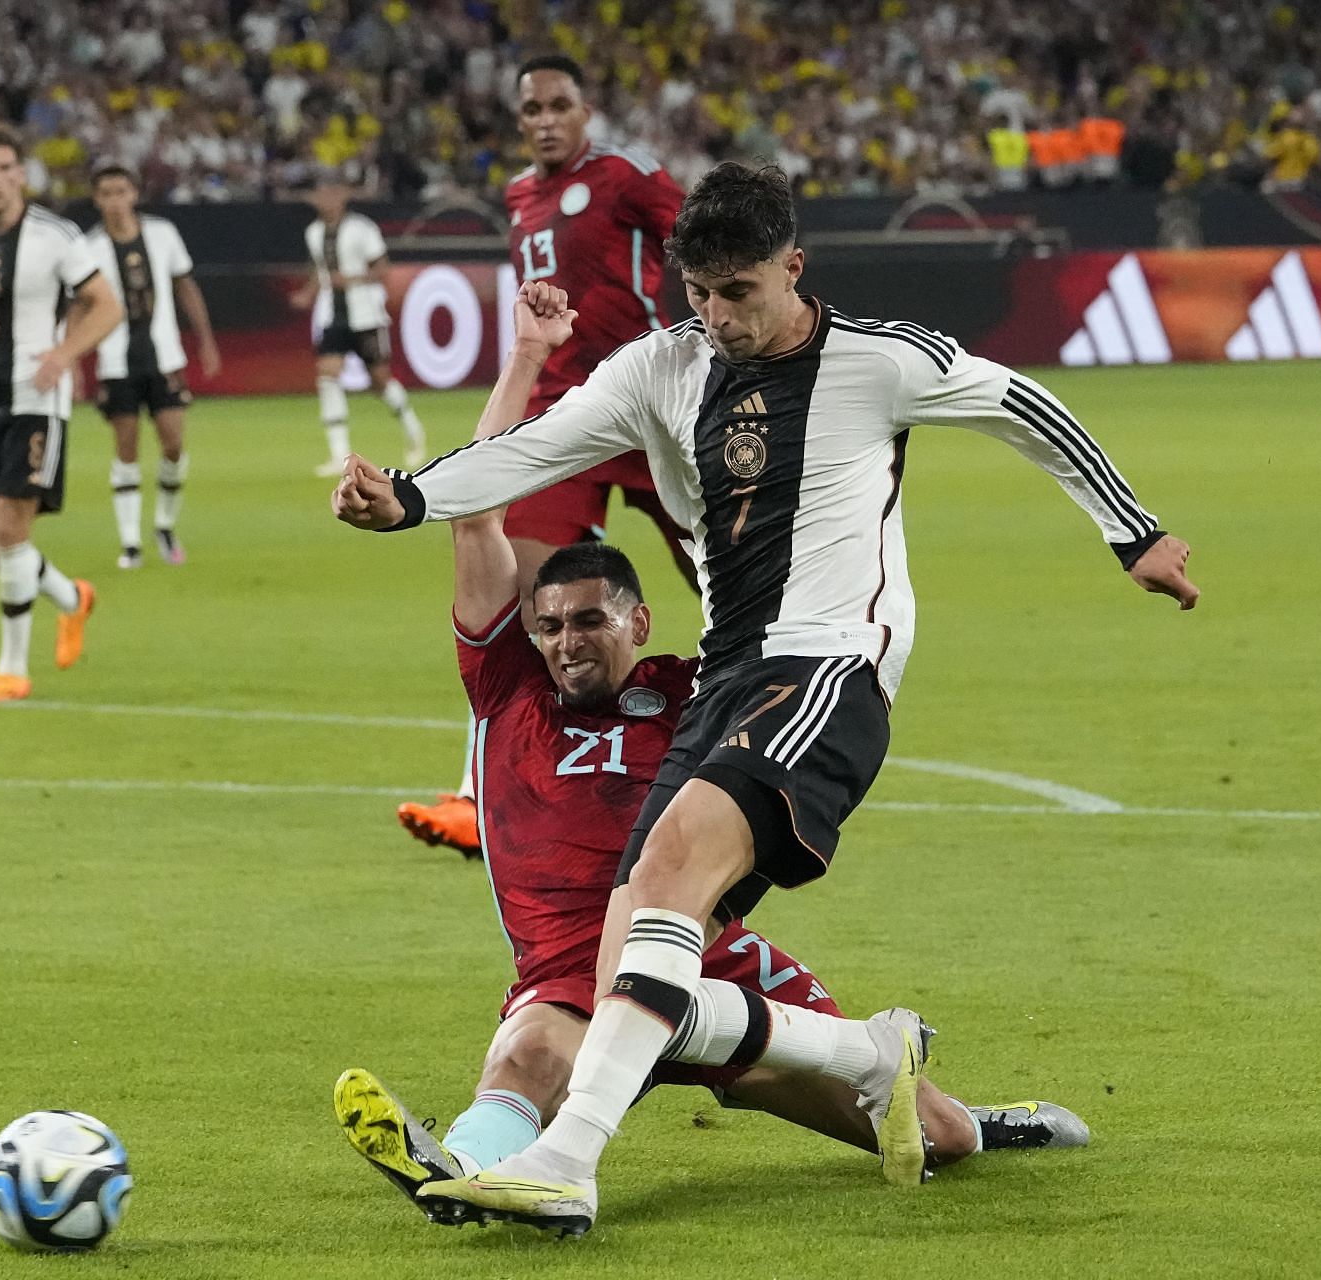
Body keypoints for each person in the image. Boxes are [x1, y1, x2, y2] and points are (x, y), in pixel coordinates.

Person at [334, 163, 1199, 1233]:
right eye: (698, 292)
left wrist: (1134, 531)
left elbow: (1023, 404)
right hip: (732, 677)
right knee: (627, 973)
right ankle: (867, 1054)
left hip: (830, 665)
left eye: (737, 291)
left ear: (793, 267)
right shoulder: (663, 367)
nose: (717, 316)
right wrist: (411, 498)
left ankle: (566, 1161)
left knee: (665, 875)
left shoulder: (880, 361)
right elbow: (532, 451)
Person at [396, 55, 693, 861]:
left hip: (648, 406)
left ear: (585, 107)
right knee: (520, 597)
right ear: (519, 119)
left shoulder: (629, 177)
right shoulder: (519, 196)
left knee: (731, 580)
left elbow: (702, 240)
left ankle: (760, 740)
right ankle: (476, 795)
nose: (547, 119)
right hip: (565, 422)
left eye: (561, 104)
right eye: (533, 109)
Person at [0, 123, 123, 705]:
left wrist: (65, 355)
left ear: (22, 175)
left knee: (11, 533)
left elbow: (106, 306)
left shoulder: (55, 237)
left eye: (6, 168)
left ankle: (12, 669)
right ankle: (71, 597)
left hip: (36, 400)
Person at [83, 162, 222, 569]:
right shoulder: (89, 247)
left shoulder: (162, 235)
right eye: (105, 193)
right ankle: (130, 543)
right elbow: (80, 305)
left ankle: (163, 524)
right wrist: (71, 357)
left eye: (120, 191)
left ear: (134, 194)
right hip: (115, 360)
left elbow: (185, 285)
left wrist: (206, 340)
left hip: (164, 357)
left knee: (173, 443)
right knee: (126, 449)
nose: (114, 201)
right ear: (96, 199)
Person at [290, 170, 425, 479]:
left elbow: (382, 268)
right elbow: (319, 272)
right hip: (331, 317)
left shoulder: (362, 229)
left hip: (365, 315)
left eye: (331, 193)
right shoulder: (313, 233)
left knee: (379, 381)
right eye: (320, 194)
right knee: (328, 375)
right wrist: (308, 294)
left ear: (342, 196)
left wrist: (350, 280)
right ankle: (338, 454)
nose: (326, 199)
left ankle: (412, 428)